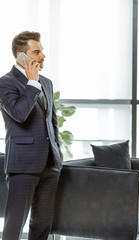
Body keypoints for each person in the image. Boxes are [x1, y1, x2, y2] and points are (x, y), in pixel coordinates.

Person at [0, 31, 63, 240]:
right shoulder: (5, 83)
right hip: (23, 166)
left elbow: (52, 122)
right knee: (14, 226)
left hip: (50, 165)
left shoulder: (47, 82)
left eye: (42, 51)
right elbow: (19, 114)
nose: (43, 56)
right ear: (21, 55)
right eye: (37, 51)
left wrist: (57, 154)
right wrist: (32, 83)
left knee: (42, 225)